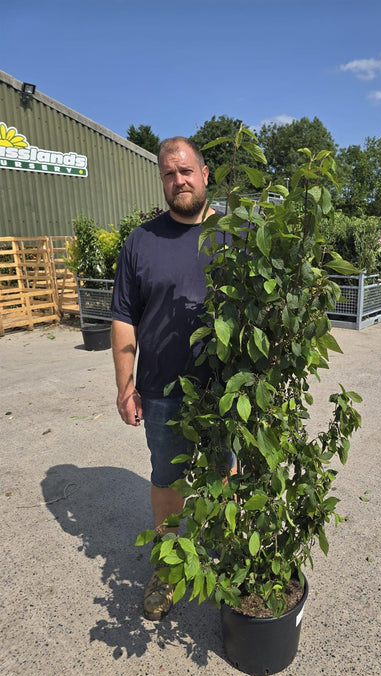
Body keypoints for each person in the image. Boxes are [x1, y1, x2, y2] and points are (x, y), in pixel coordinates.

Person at [111, 136, 230, 621]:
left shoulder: (238, 236)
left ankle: (231, 550)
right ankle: (168, 564)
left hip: (227, 390)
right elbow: (123, 317)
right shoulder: (141, 241)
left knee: (227, 470)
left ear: (204, 174)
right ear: (162, 179)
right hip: (162, 389)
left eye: (186, 171)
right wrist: (125, 385)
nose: (178, 180)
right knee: (167, 478)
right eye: (168, 173)